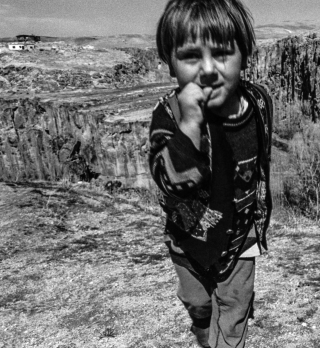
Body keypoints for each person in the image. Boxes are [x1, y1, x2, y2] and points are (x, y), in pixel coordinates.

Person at [148, 0, 273, 347]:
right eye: (190, 57)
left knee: (235, 308)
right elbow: (171, 180)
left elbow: (260, 160)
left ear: (245, 55)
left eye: (221, 53)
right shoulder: (170, 115)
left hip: (240, 235)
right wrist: (191, 125)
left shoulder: (260, 102)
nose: (207, 69)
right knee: (198, 302)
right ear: (170, 64)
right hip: (191, 238)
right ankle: (202, 328)